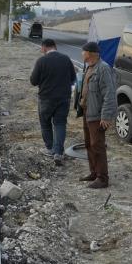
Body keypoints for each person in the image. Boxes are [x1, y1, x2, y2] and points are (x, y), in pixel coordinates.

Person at [29, 38, 76, 164]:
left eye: (41, 48)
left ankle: (50, 148)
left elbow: (33, 81)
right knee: (60, 124)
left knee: (45, 123)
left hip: (46, 98)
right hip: (64, 98)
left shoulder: (41, 61)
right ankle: (58, 153)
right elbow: (73, 78)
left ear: (44, 47)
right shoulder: (66, 59)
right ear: (55, 46)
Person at [77, 41, 117, 188]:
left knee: (97, 144)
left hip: (97, 115)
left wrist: (106, 116)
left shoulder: (103, 69)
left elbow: (110, 94)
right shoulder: (89, 67)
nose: (81, 54)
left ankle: (102, 178)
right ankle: (94, 172)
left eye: (83, 51)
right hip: (87, 112)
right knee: (88, 144)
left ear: (90, 53)